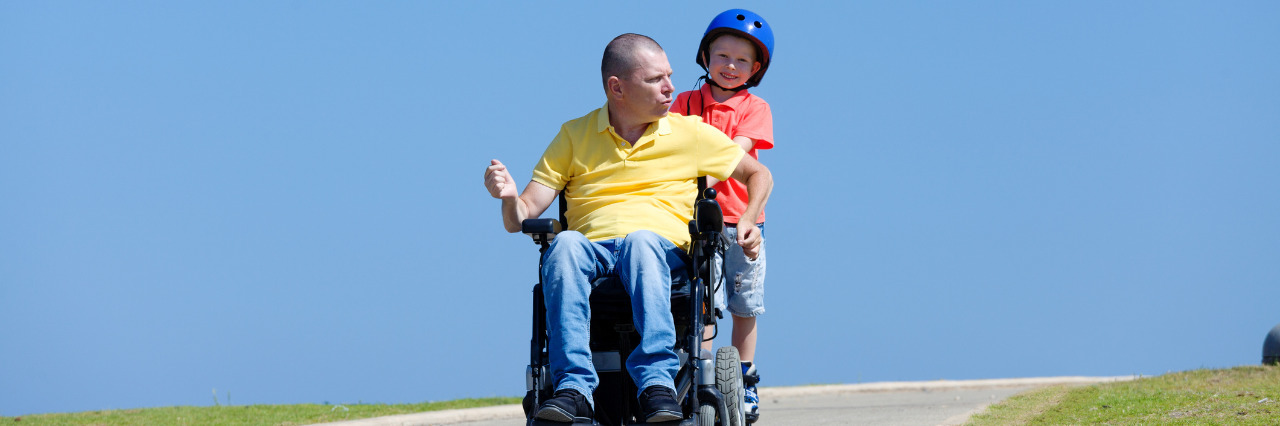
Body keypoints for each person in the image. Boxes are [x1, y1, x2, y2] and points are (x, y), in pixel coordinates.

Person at [483, 33, 773, 424]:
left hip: (661, 254)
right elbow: (520, 219)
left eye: (669, 76)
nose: (671, 86)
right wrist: (508, 198)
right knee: (564, 244)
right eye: (656, 79)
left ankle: (656, 384)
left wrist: (750, 219)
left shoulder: (690, 132)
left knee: (640, 242)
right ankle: (573, 389)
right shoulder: (574, 135)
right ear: (616, 87)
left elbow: (758, 173)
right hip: (591, 252)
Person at [668, 9, 775, 423]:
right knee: (701, 304)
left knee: (744, 306)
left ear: (756, 68)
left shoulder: (755, 107)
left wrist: (701, 178)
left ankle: (745, 382)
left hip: (741, 222)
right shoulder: (686, 103)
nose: (730, 66)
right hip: (694, 222)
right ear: (705, 57)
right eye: (722, 56)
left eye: (742, 60)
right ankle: (703, 376)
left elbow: (736, 152)